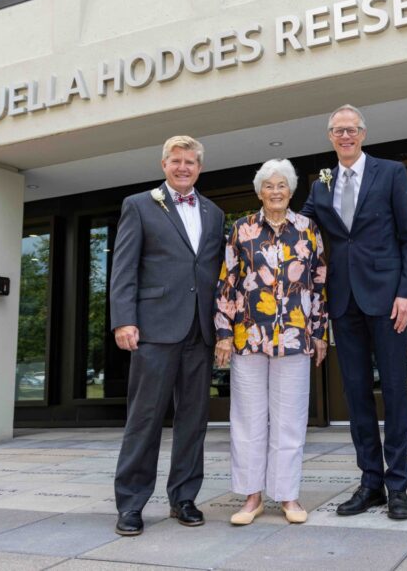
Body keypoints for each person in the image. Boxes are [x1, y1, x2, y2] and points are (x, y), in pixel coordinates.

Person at [302, 104, 407, 520]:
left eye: (351, 129)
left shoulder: (390, 173)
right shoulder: (321, 183)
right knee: (355, 395)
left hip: (388, 300)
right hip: (344, 302)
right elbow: (300, 228)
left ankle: (398, 486)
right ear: (330, 137)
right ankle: (370, 482)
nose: (345, 136)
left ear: (363, 134)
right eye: (338, 131)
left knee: (393, 392)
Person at [110, 136, 225, 536]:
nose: (183, 167)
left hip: (200, 329)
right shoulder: (140, 205)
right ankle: (130, 504)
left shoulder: (214, 212)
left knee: (193, 420)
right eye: (176, 161)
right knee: (145, 418)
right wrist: (123, 319)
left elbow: (211, 272)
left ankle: (184, 498)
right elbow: (124, 268)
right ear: (163, 164)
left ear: (199, 167)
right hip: (155, 328)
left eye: (190, 162)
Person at [214, 159, 329, 525]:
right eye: (268, 185)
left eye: (281, 185)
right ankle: (251, 497)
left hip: (295, 337)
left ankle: (288, 496)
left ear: (291, 191)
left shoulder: (308, 229)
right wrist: (223, 334)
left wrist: (321, 332)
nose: (275, 191)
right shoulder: (242, 230)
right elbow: (226, 284)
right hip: (248, 336)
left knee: (290, 420)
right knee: (248, 420)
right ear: (259, 191)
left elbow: (319, 284)